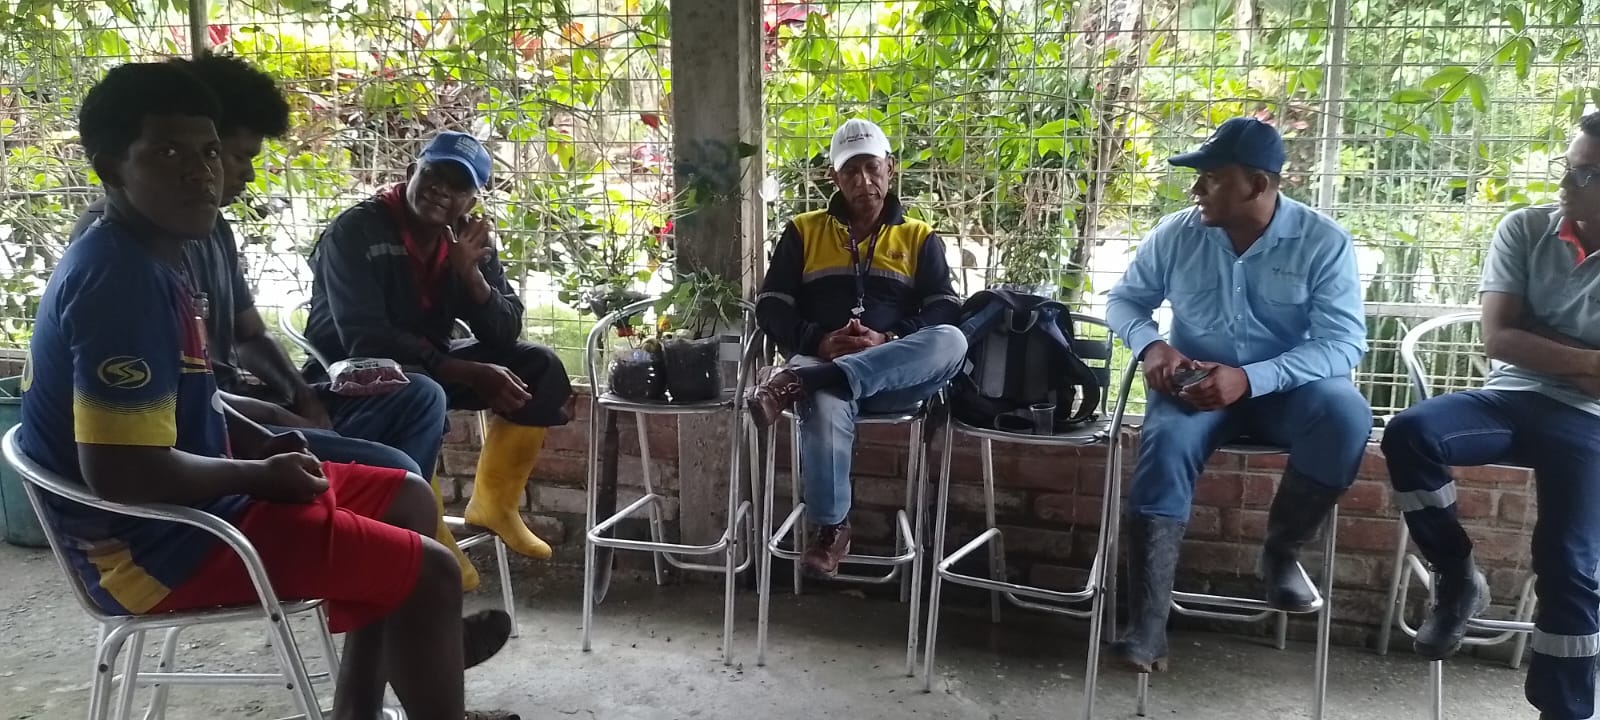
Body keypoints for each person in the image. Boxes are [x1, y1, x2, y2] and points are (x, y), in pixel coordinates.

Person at [22, 61, 513, 720]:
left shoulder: (161, 254)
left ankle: (360, 711)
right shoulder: (120, 281)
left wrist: (269, 438)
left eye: (207, 152)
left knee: (406, 495)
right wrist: (258, 475)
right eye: (167, 153)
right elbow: (120, 471)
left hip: (198, 501)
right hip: (154, 546)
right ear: (111, 167)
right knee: (431, 572)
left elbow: (196, 401)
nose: (201, 173)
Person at [61, 51, 483, 590]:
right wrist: (269, 428)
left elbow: (250, 334)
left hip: (231, 412)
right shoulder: (126, 259)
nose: (227, 173)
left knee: (418, 398)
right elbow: (148, 439)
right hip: (198, 448)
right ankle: (397, 565)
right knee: (394, 472)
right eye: (237, 155)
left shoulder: (209, 230)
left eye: (213, 155)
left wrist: (302, 400)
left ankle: (393, 566)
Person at [1104, 117, 1372, 673]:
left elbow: (1343, 343)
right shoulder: (1176, 234)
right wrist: (1152, 347)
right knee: (1166, 443)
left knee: (1347, 414)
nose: (1196, 189)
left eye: (1211, 178)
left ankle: (1281, 554)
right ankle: (1147, 624)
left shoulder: (1323, 241)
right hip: (1197, 391)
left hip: (1287, 393)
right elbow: (1124, 301)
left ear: (1257, 184)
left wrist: (1250, 378)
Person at [1381, 114, 1600, 720]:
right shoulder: (1525, 228)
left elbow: (1524, 338)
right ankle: (1457, 576)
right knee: (1410, 433)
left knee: (1569, 562)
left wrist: (1538, 336)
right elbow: (1499, 340)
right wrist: (1587, 357)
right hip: (1508, 397)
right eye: (1568, 165)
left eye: (1585, 173)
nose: (1566, 182)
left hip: (1589, 420)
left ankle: (1564, 710)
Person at [304, 130, 573, 560]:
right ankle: (428, 530)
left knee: (538, 365)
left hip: (427, 365)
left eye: (459, 185)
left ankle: (495, 505)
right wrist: (466, 371)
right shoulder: (355, 231)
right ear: (412, 171)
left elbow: (505, 330)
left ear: (471, 201)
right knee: (421, 389)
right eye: (434, 174)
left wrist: (471, 276)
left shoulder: (465, 241)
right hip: (348, 373)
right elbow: (363, 337)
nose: (441, 190)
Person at [745, 118, 965, 578]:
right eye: (850, 171)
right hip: (819, 360)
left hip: (892, 378)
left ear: (890, 167)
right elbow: (771, 305)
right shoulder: (803, 231)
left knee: (953, 340)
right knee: (826, 400)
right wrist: (819, 341)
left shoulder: (919, 237)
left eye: (871, 168)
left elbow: (944, 307)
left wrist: (889, 339)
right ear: (834, 177)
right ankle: (832, 528)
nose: (863, 180)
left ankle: (805, 381)